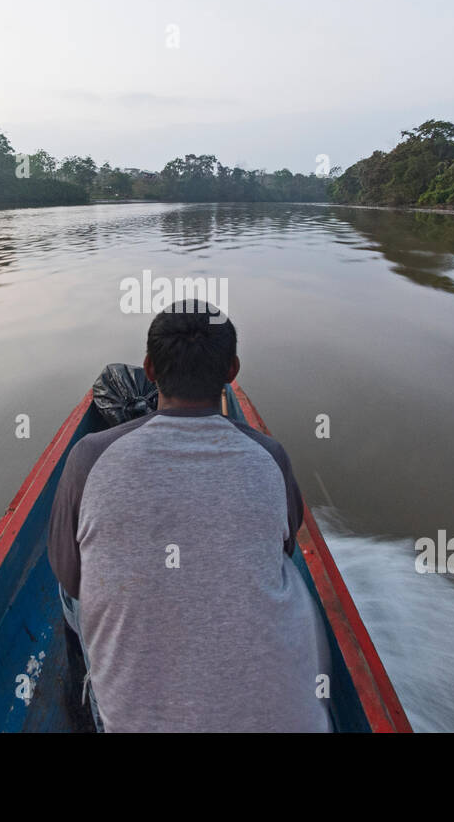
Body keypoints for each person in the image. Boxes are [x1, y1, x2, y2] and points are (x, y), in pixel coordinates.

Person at [48, 301, 332, 732]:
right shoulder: (270, 457)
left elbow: (71, 578)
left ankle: (82, 688)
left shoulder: (90, 457)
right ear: (232, 370)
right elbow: (285, 548)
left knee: (71, 588)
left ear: (149, 369)